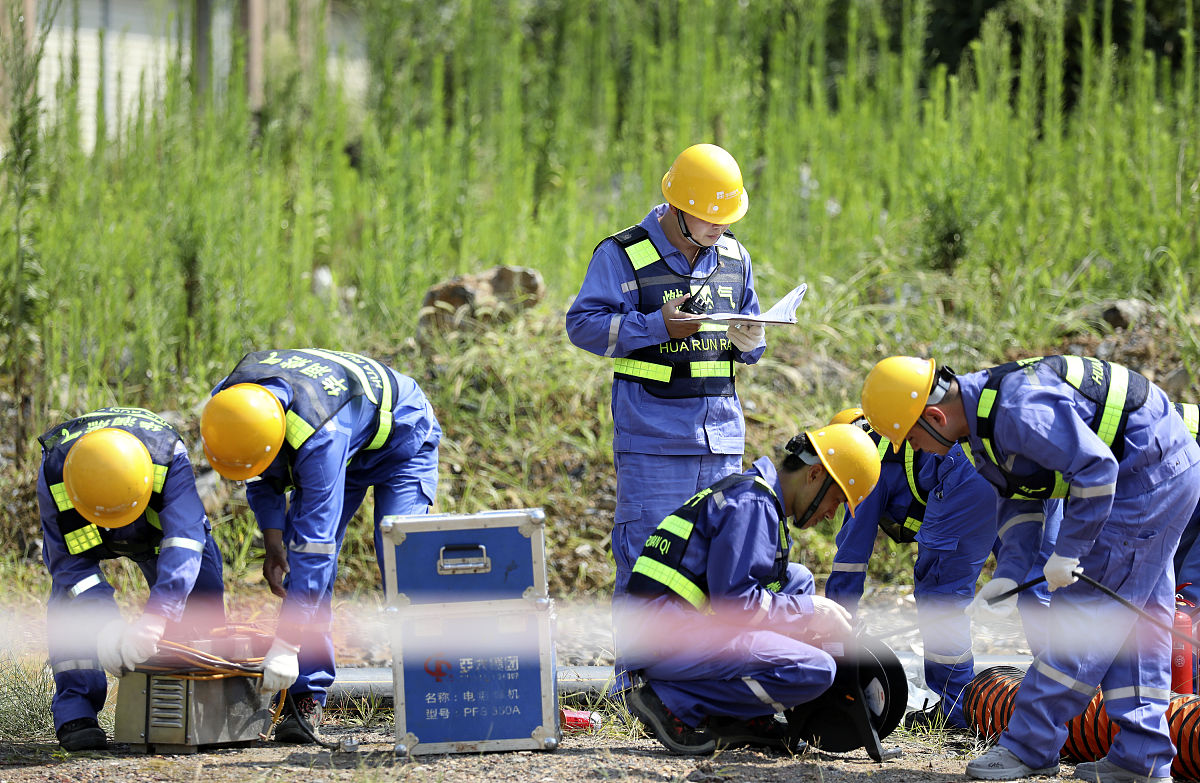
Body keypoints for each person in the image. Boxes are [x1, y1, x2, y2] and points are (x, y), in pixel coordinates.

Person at [861, 354, 1200, 783]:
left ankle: (1029, 746)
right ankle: (1142, 756)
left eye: (910, 437)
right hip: (1163, 470)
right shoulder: (982, 424)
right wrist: (1010, 573)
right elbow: (1021, 500)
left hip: (1145, 477)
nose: (913, 449)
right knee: (1138, 622)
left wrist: (1070, 551)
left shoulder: (1015, 409)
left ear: (934, 417)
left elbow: (1097, 470)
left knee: (1083, 618)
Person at [201, 348, 440, 743]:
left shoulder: (319, 436)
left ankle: (431, 696)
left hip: (402, 440)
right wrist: (274, 544)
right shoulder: (229, 407)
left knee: (402, 564)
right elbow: (259, 475)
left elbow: (316, 548)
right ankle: (305, 697)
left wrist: (285, 645)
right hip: (349, 438)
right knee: (299, 561)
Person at [565, 143, 767, 597]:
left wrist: (752, 343)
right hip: (654, 446)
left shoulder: (735, 257)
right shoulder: (622, 254)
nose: (720, 226)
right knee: (649, 574)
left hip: (722, 446)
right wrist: (656, 326)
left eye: (727, 217)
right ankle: (638, 652)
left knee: (717, 577)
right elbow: (582, 326)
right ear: (677, 208)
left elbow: (752, 328)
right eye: (709, 217)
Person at [618, 422, 881, 755]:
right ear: (814, 475)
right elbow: (736, 604)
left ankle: (748, 715)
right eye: (837, 499)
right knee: (815, 669)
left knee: (798, 579)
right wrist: (813, 612)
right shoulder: (752, 504)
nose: (831, 514)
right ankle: (670, 700)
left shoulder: (755, 495)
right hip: (663, 640)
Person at [824, 409, 1059, 732]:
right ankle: (1068, 702)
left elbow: (851, 560)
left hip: (970, 475)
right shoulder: (894, 434)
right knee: (1040, 587)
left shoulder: (863, 463)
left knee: (942, 595)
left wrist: (835, 626)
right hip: (1034, 461)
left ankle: (957, 710)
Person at [37, 408, 225, 751]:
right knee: (70, 599)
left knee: (200, 594)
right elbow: (69, 566)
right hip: (87, 527)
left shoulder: (169, 458)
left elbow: (185, 543)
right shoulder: (54, 473)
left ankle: (200, 707)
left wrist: (157, 618)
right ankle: (76, 712)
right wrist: (107, 627)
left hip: (151, 528)